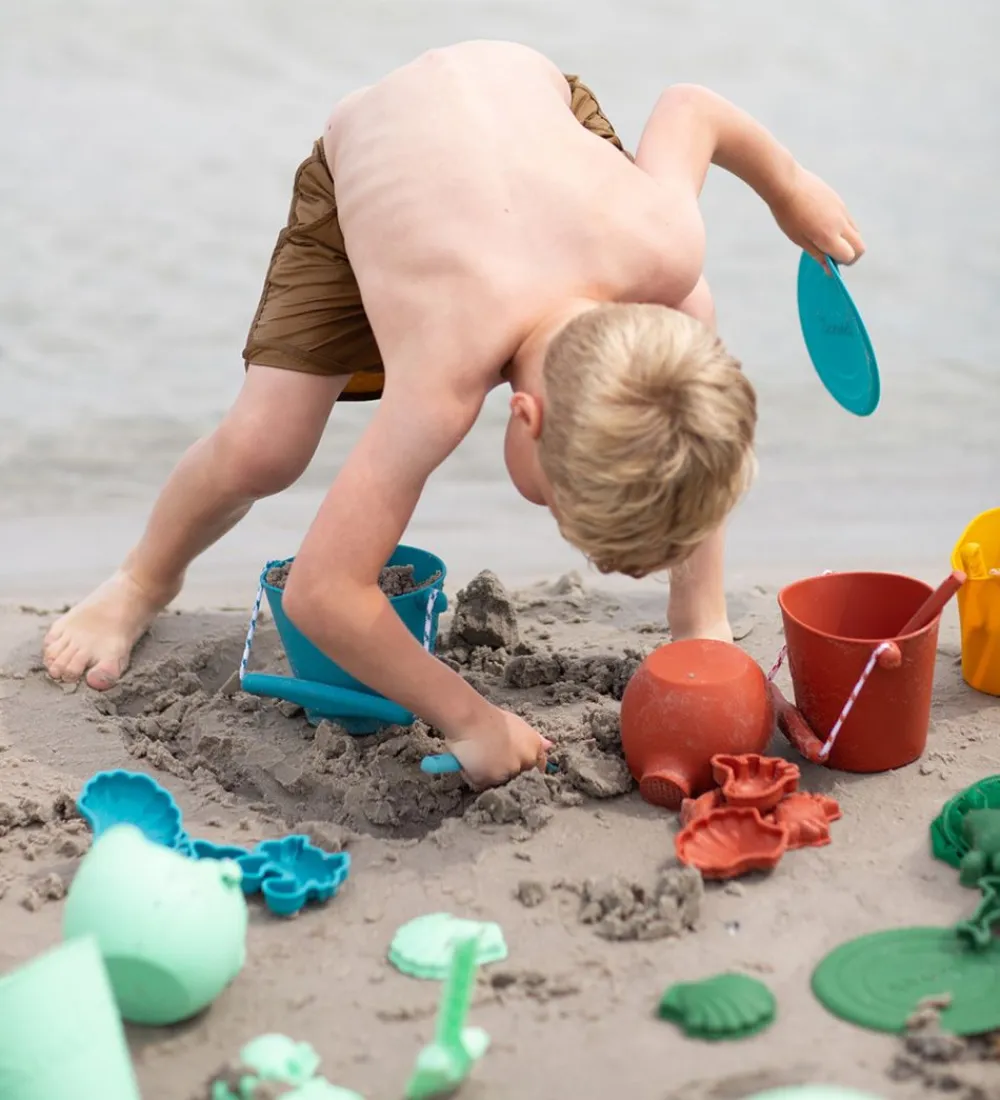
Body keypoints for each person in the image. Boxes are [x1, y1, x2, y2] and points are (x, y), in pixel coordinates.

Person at [42, 40, 864, 787]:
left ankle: (698, 615)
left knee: (688, 315)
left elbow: (692, 108)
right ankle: (141, 580)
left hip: (533, 132)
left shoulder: (663, 240)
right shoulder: (441, 376)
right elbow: (322, 592)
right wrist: (471, 717)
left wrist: (790, 190)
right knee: (266, 446)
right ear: (523, 416)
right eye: (560, 510)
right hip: (372, 164)